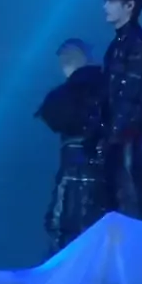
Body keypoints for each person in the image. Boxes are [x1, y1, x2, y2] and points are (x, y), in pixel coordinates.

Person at [35, 38, 106, 254]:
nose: (65, 62)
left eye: (70, 57)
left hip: (85, 181)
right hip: (94, 180)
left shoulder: (68, 96)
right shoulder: (109, 89)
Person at [103, 0, 142, 220]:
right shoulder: (118, 44)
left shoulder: (136, 43)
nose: (105, 6)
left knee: (130, 188)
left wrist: (115, 129)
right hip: (118, 130)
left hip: (128, 131)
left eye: (111, 1)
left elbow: (131, 91)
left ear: (129, 6)